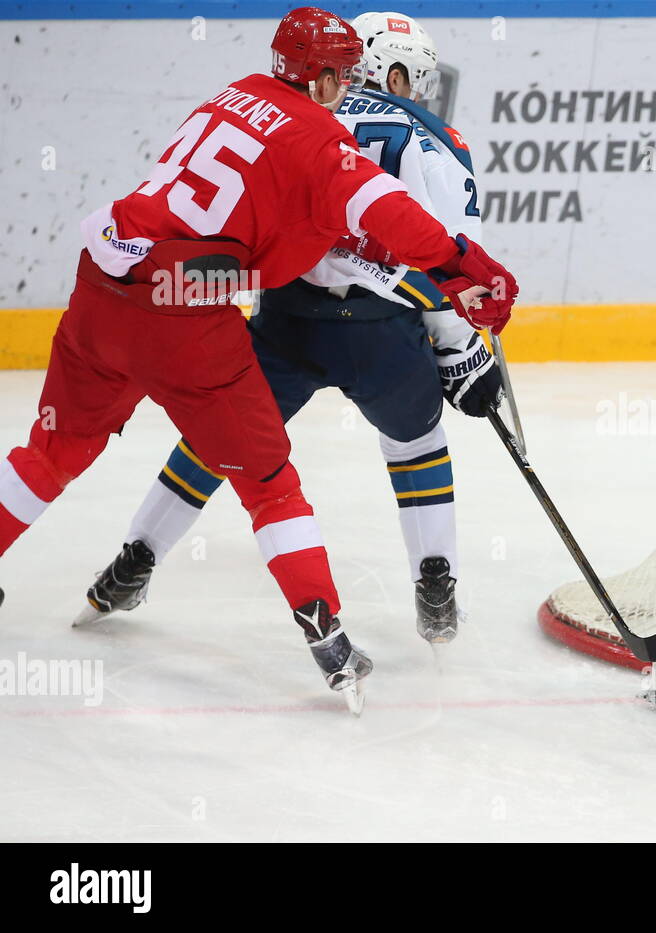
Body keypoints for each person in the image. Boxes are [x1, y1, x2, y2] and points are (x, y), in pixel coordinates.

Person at [0, 7, 516, 712]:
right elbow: (401, 225)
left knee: (72, 452)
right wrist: (467, 305)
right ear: (348, 74)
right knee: (331, 461)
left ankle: (135, 558)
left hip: (121, 287)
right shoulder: (387, 142)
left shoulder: (230, 94)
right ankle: (396, 599)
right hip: (307, 328)